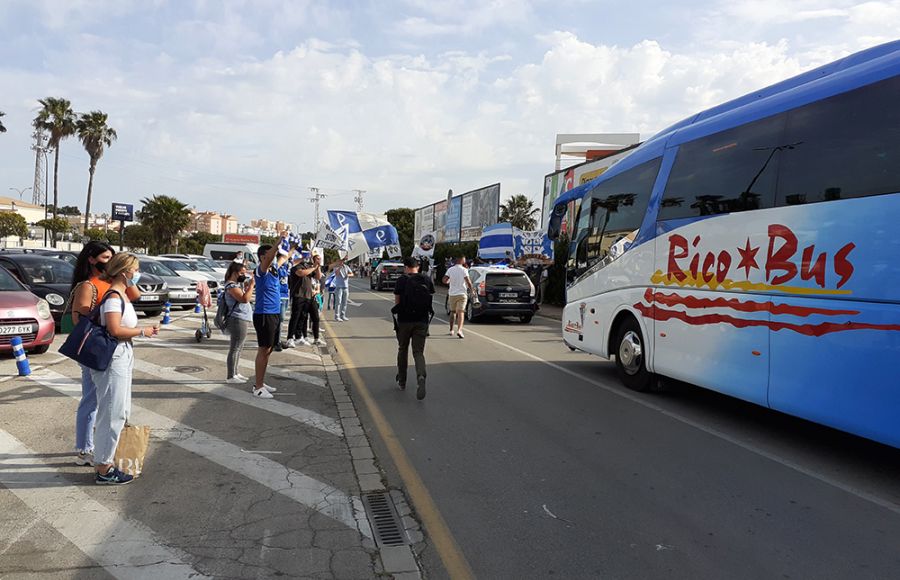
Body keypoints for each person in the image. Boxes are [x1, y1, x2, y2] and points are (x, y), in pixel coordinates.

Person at [91, 253, 160, 484]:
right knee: (112, 413)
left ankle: (106, 460)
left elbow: (134, 298)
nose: (137, 274)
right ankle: (103, 467)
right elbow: (114, 330)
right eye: (135, 270)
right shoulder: (113, 296)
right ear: (123, 272)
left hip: (122, 354)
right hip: (114, 356)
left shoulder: (122, 294)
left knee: (119, 411)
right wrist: (143, 331)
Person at [69, 241, 139, 467]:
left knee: (108, 404)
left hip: (112, 347)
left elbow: (135, 295)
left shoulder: (114, 286)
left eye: (112, 258)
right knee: (92, 401)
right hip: (97, 349)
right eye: (105, 258)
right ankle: (85, 448)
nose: (109, 262)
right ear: (92, 259)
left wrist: (126, 277)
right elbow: (80, 321)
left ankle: (99, 449)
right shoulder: (88, 286)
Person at [252, 242, 296, 398]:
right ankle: (258, 387)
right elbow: (271, 256)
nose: (274, 257)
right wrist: (279, 240)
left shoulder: (274, 269)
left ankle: (261, 382)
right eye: (271, 255)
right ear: (263, 257)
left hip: (274, 313)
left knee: (269, 349)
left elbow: (285, 257)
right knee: (263, 349)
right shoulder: (261, 271)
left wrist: (293, 247)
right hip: (264, 314)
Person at [392, 256, 434, 400]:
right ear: (418, 267)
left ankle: (402, 381)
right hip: (421, 321)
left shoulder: (402, 280)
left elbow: (397, 302)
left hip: (404, 321)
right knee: (418, 352)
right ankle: (421, 376)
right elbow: (430, 300)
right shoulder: (427, 280)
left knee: (403, 349)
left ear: (405, 267)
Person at [223, 262, 255, 384]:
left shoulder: (236, 285)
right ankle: (231, 376)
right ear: (235, 273)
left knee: (239, 347)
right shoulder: (231, 286)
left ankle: (235, 372)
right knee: (235, 347)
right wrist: (251, 287)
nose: (243, 275)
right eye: (242, 273)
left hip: (242, 318)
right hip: (237, 319)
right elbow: (244, 299)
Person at [287, 254, 325, 347]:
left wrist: (318, 267)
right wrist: (314, 267)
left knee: (302, 318)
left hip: (307, 296)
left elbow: (318, 277)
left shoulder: (308, 268)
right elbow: (301, 273)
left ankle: (299, 337)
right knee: (295, 317)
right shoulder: (296, 268)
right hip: (298, 295)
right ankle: (290, 338)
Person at [443, 256, 474, 338]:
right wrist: (472, 290)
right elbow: (468, 281)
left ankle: (451, 330)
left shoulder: (450, 269)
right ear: (460, 260)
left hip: (452, 294)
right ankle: (460, 330)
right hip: (462, 294)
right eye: (464, 258)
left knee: (453, 312)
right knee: (461, 312)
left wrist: (450, 281)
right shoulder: (464, 270)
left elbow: (444, 280)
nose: (465, 260)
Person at [331, 257, 354, 321]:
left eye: (343, 260)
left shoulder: (346, 267)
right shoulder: (336, 267)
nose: (342, 262)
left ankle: (343, 315)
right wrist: (340, 267)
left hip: (346, 286)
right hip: (339, 287)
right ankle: (337, 316)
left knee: (344, 302)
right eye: (340, 260)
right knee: (338, 302)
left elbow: (352, 273)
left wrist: (348, 275)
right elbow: (336, 274)